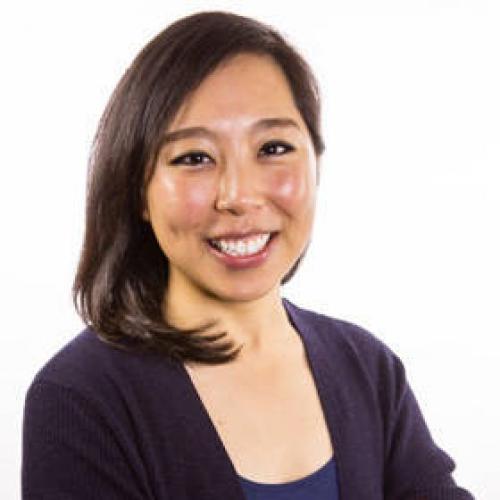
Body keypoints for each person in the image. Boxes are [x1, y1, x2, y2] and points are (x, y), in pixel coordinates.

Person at [21, 11, 474, 500]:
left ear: (316, 163)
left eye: (273, 148)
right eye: (194, 158)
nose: (238, 196)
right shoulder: (81, 400)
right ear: (138, 190)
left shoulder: (367, 368)